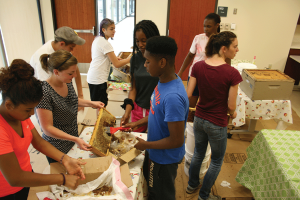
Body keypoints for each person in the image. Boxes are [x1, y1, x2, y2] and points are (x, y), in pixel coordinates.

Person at [0, 59, 86, 199]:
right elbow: (15, 177)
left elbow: (38, 142)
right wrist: (62, 179)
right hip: (7, 191)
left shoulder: (20, 116)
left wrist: (65, 159)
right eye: (28, 110)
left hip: (27, 176)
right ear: (9, 105)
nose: (32, 114)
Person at [124, 36, 189, 200]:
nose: (145, 65)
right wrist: (136, 123)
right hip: (156, 153)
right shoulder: (164, 81)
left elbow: (176, 140)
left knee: (161, 194)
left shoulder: (173, 96)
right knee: (153, 190)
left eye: (147, 61)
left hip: (164, 160)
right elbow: (156, 114)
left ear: (162, 62)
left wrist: (145, 145)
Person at [186, 31, 242, 200]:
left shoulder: (198, 66)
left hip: (199, 119)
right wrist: (233, 113)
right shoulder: (232, 73)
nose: (237, 49)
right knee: (216, 160)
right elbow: (231, 106)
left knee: (198, 153)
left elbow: (189, 94)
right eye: (235, 46)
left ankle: (191, 185)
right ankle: (204, 195)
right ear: (224, 49)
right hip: (217, 122)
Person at [35, 50, 105, 164]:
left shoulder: (66, 81)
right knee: (63, 177)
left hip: (72, 139)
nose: (75, 76)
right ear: (56, 72)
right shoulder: (44, 93)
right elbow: (47, 128)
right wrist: (74, 138)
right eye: (71, 73)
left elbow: (71, 100)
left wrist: (92, 103)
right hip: (56, 147)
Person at [121, 20, 160, 132]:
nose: (140, 45)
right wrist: (127, 112)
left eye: (144, 41)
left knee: (154, 143)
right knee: (135, 142)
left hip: (156, 109)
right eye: (137, 41)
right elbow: (133, 89)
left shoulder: (161, 59)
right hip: (138, 109)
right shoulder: (135, 59)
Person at [30, 26, 85, 104]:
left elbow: (75, 68)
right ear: (62, 43)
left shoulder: (60, 47)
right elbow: (46, 90)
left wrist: (80, 94)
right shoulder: (43, 57)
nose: (72, 50)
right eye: (71, 47)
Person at [178, 13, 220, 107]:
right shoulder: (198, 38)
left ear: (217, 25)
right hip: (195, 75)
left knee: (206, 103)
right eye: (204, 26)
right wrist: (180, 72)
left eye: (209, 26)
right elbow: (189, 56)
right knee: (190, 102)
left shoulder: (221, 41)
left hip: (211, 76)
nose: (205, 29)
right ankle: (189, 120)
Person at [87, 18, 131, 107]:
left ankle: (99, 121)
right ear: (103, 29)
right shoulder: (105, 43)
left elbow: (106, 57)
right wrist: (130, 59)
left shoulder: (98, 39)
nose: (114, 31)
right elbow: (116, 64)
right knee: (101, 105)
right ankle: (100, 121)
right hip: (98, 79)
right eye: (111, 29)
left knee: (99, 105)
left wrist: (116, 58)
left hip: (94, 77)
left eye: (114, 28)